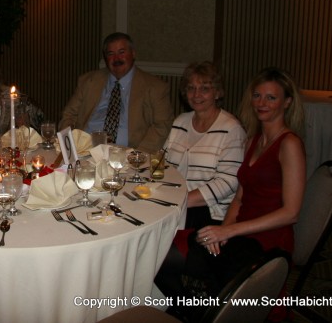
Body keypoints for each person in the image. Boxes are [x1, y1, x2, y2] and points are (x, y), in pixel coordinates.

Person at [155, 67, 305, 320]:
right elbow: (239, 197)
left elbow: (291, 213)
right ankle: (198, 310)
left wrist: (228, 231)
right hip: (238, 231)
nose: (261, 103)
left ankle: (203, 311)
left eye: (271, 97)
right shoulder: (254, 141)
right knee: (156, 254)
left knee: (161, 259)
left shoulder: (289, 144)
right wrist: (223, 230)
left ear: (287, 102)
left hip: (266, 240)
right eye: (257, 96)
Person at [59, 32, 173, 153]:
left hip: (128, 155)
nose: (116, 58)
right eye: (111, 54)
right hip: (86, 152)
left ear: (133, 53)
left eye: (121, 52)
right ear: (105, 58)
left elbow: (162, 125)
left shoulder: (155, 87)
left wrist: (138, 156)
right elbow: (68, 115)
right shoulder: (89, 81)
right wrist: (70, 148)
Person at [163, 62, 245, 229]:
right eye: (191, 88)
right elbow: (162, 163)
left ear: (217, 93)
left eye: (205, 89)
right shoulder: (181, 122)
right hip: (176, 204)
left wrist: (181, 200)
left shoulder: (231, 129)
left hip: (209, 213)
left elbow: (228, 182)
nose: (196, 94)